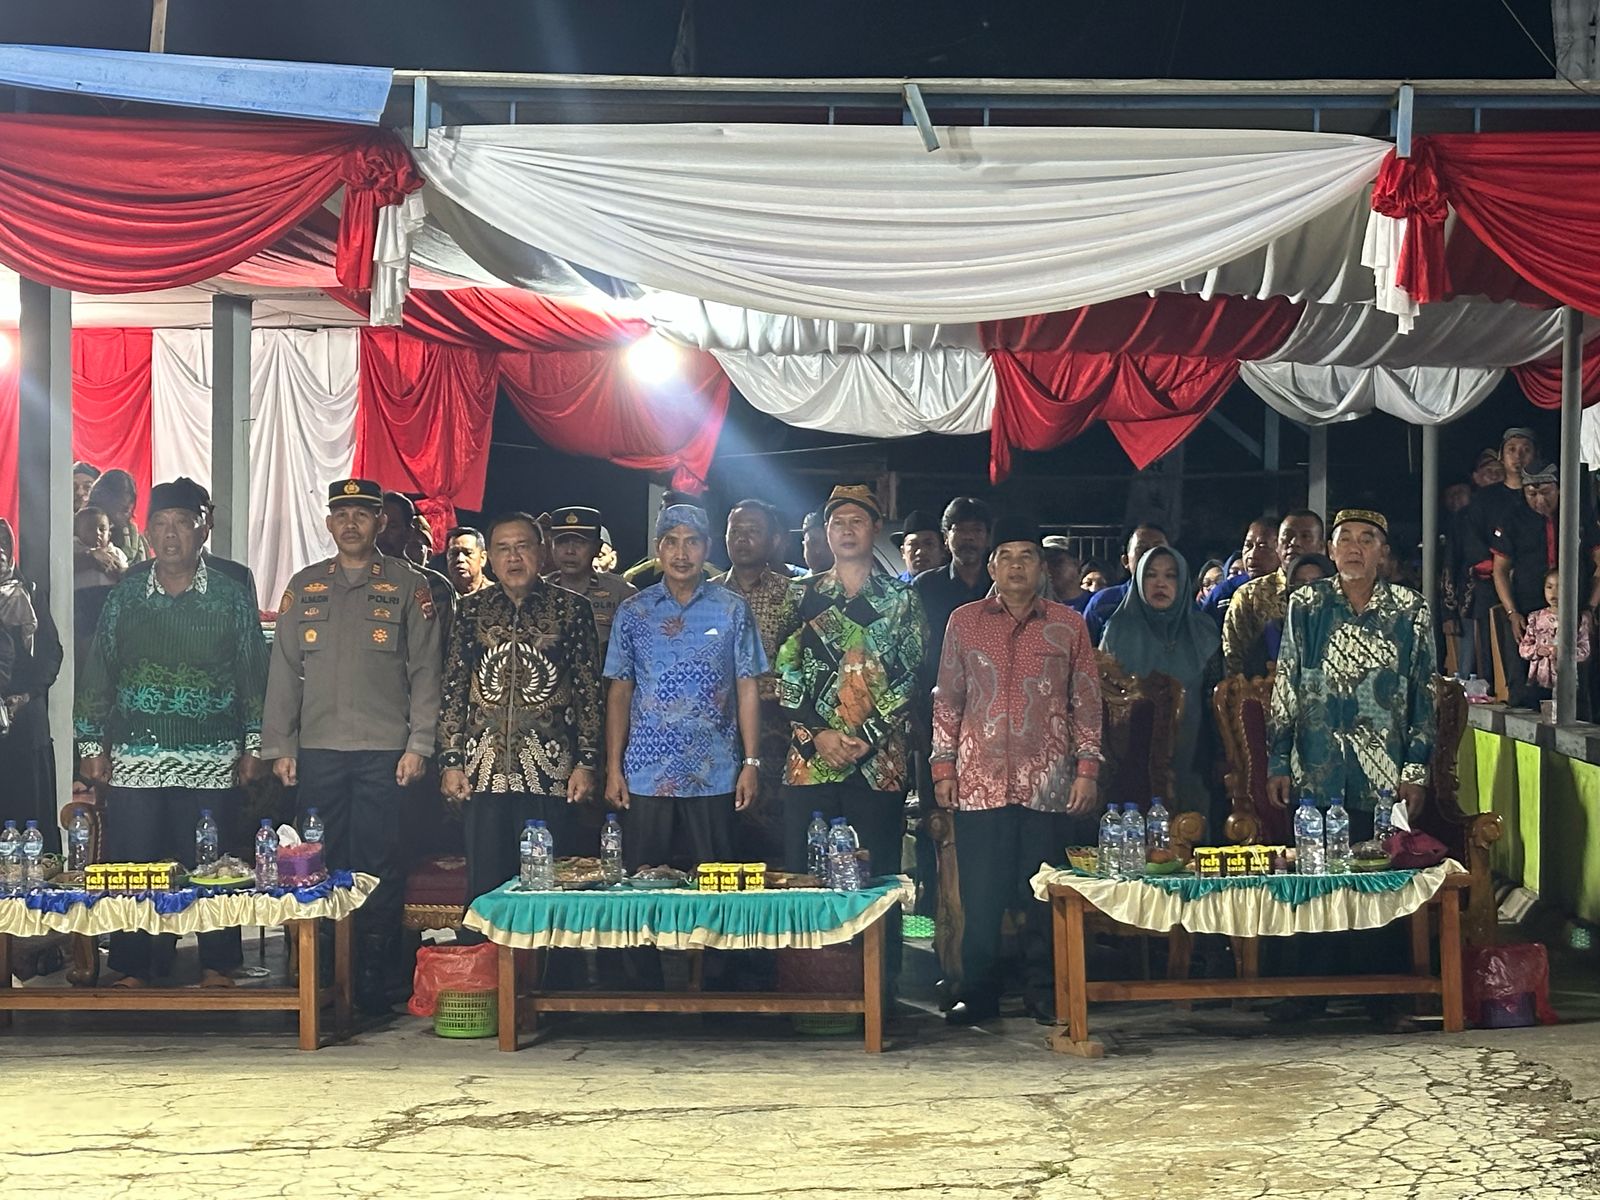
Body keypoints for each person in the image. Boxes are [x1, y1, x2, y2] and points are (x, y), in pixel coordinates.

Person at [76, 479, 268, 988]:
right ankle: (134, 965)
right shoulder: (126, 595)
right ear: (146, 532)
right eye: (160, 525)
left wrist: (254, 746)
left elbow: (254, 675)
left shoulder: (230, 596)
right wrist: (91, 744)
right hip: (136, 755)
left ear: (203, 530)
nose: (170, 535)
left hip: (212, 756)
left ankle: (218, 963)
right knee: (135, 862)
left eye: (182, 523)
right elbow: (99, 671)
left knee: (213, 863)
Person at [261, 478, 443, 1010]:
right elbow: (284, 671)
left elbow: (426, 672)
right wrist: (281, 745)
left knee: (379, 863)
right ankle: (323, 971)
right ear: (328, 523)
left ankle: (372, 975)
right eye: (341, 514)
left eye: (362, 514)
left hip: (385, 751)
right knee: (316, 862)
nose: (350, 524)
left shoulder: (408, 585)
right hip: (318, 750)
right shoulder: (305, 586)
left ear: (379, 522)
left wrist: (420, 744)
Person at [931, 516, 1102, 1026]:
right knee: (981, 897)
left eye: (1026, 556)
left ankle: (1046, 992)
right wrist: (943, 767)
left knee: (1045, 896)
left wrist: (1087, 769)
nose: (1016, 566)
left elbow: (1086, 701)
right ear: (991, 567)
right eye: (1005, 557)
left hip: (1047, 783)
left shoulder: (1068, 624)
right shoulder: (964, 621)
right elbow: (948, 699)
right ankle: (978, 993)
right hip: (979, 780)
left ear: (1041, 567)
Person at [439, 512, 602, 906]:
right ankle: (486, 948)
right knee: (487, 888)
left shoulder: (571, 609)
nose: (513, 558)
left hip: (550, 772)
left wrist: (586, 763)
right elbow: (454, 687)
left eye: (522, 547)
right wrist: (451, 761)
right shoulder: (472, 610)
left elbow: (588, 692)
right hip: (483, 772)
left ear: (541, 553)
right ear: (490, 559)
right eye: (503, 549)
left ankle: (547, 950)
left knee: (547, 888)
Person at [777, 484, 928, 881]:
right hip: (810, 764)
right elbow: (784, 673)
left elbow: (910, 677)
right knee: (807, 883)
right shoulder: (800, 595)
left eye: (856, 521)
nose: (846, 530)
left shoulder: (902, 598)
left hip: (879, 766)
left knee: (876, 883)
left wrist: (868, 736)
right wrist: (819, 734)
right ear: (826, 532)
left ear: (875, 528)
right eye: (837, 523)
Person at [604, 503, 765, 870]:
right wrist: (613, 768)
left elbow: (747, 688)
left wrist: (751, 762)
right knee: (644, 883)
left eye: (692, 541)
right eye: (671, 542)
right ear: (658, 549)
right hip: (646, 773)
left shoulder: (732, 609)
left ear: (707, 548)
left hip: (715, 771)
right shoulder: (634, 611)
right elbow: (620, 692)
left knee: (716, 884)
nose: (681, 553)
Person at [1268, 509, 1436, 817]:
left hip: (1383, 776)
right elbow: (1286, 685)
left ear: (1383, 553)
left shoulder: (1410, 609)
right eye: (1344, 540)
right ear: (1331, 551)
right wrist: (1278, 761)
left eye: (1366, 540)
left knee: (1381, 849)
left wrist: (1414, 771)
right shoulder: (1306, 603)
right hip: (1314, 773)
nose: (1354, 549)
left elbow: (1423, 693)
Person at [1101, 547, 1223, 816]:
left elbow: (1215, 700)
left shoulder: (1203, 631)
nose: (1160, 583)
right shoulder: (1118, 630)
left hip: (1194, 755)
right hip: (1131, 757)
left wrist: (1220, 756)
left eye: (1170, 576)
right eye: (1151, 575)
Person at [716, 499, 801, 864]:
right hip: (718, 724)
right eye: (736, 530)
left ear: (774, 539)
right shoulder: (708, 594)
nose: (743, 538)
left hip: (778, 724)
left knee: (774, 832)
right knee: (722, 826)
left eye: (753, 531)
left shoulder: (794, 594)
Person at [1492, 462, 1600, 706]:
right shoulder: (1513, 517)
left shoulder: (1579, 513)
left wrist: (1590, 608)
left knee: (1579, 683)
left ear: (1559, 488)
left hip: (1574, 610)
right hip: (1527, 610)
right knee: (1524, 682)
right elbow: (1500, 570)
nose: (1539, 500)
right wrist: (1512, 612)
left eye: (1546, 492)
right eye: (1532, 494)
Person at [0, 518, 64, 850]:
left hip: (26, 725)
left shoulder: (30, 593)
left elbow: (51, 654)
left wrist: (26, 696)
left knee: (30, 819)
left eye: (3, 546)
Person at [1220, 510, 1327, 677]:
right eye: (1287, 537)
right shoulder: (1250, 595)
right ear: (1277, 545)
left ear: (1321, 547)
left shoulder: (1335, 593)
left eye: (1305, 536)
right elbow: (1233, 659)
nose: (1294, 543)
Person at [544, 506, 637, 654]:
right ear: (552, 546)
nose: (570, 551)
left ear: (597, 547)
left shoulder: (621, 593)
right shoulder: (536, 590)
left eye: (580, 542)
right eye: (562, 542)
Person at [1082, 523, 1170, 643]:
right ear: (1126, 561)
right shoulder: (1103, 602)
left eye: (1158, 548)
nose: (1150, 555)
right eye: (1141, 549)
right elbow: (1084, 648)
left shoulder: (1182, 603)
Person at [1519, 568, 1593, 707]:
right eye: (1549, 587)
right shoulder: (1535, 617)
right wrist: (1537, 650)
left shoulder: (1578, 618)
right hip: (1540, 680)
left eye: (1560, 587)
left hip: (1568, 681)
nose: (1554, 593)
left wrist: (1565, 653)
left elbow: (1585, 650)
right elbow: (1524, 648)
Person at [1201, 518, 1280, 626]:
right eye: (1248, 546)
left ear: (1280, 549)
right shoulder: (1224, 592)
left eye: (1263, 547)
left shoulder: (1290, 591)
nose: (1252, 555)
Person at [1263, 552, 1337, 663]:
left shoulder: (1346, 625)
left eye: (1317, 583)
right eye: (1300, 584)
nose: (1308, 590)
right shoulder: (1275, 629)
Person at [86, 468, 148, 566]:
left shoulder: (138, 542)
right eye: (114, 508)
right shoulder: (80, 533)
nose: (118, 516)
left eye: (125, 510)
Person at [74, 505, 128, 589]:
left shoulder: (116, 553)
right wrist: (89, 557)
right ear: (77, 532)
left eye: (102, 529)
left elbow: (125, 574)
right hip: (81, 594)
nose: (97, 533)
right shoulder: (74, 548)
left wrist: (119, 570)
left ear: (109, 535)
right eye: (90, 528)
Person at [1041, 535, 1091, 613]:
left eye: (1057, 562)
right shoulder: (1036, 607)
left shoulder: (1096, 604)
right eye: (1044, 563)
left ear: (1076, 564)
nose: (1049, 568)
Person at [892, 509, 946, 580]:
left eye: (929, 544)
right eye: (913, 544)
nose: (920, 552)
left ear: (942, 550)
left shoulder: (955, 585)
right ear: (903, 552)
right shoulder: (893, 586)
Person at [443, 526, 492, 597]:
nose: (460, 559)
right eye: (453, 553)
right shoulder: (436, 596)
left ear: (483, 558)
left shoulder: (498, 594)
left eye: (467, 553)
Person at [800, 509, 834, 576]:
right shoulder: (792, 582)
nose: (818, 550)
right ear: (804, 545)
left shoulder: (851, 581)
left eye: (826, 543)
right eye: (813, 543)